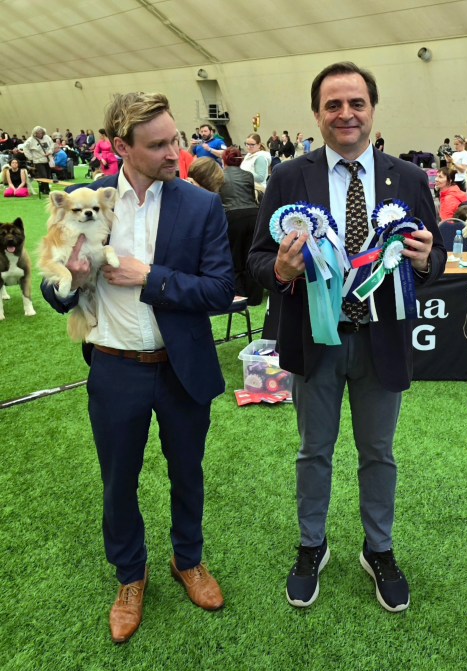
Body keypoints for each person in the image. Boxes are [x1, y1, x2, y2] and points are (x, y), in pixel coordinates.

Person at [248, 61, 445, 613]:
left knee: (378, 453)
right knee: (314, 450)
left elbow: (433, 259)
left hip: (383, 342)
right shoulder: (289, 178)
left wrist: (426, 260)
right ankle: (312, 545)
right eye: (333, 105)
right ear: (317, 114)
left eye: (356, 103)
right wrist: (281, 269)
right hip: (316, 341)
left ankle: (378, 549)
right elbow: (257, 260)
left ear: (372, 110)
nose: (346, 114)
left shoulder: (408, 179)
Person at [41, 91, 235, 643]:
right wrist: (73, 281)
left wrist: (150, 277)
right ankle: (130, 575)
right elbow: (51, 286)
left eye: (176, 139)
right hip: (114, 366)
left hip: (182, 367)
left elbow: (221, 289)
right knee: (118, 479)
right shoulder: (88, 203)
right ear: (120, 146)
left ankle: (188, 559)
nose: (174, 152)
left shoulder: (200, 204)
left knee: (187, 471)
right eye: (158, 145)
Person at [219, 146, 263, 305]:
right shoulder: (248, 175)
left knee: (235, 258)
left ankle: (239, 296)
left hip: (233, 216)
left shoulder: (220, 175)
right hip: (253, 215)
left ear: (224, 160)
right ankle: (255, 297)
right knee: (252, 257)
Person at [22, 126, 55, 195]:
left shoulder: (47, 137)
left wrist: (50, 152)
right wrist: (30, 158)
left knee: (48, 176)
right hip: (38, 161)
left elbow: (52, 145)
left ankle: (42, 189)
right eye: (38, 133)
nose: (40, 134)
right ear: (35, 133)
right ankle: (47, 190)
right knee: (43, 175)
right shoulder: (30, 140)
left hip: (47, 160)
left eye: (41, 133)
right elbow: (25, 148)